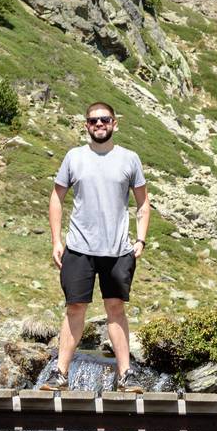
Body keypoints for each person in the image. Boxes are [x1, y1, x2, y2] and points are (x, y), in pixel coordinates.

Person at [47, 101, 150, 391]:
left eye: (104, 119)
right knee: (75, 307)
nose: (99, 124)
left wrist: (140, 238)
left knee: (115, 308)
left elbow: (143, 202)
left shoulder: (130, 159)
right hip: (79, 247)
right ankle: (60, 374)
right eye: (93, 121)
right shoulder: (74, 157)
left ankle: (126, 375)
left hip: (118, 250)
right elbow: (57, 198)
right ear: (86, 126)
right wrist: (56, 240)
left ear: (115, 123)